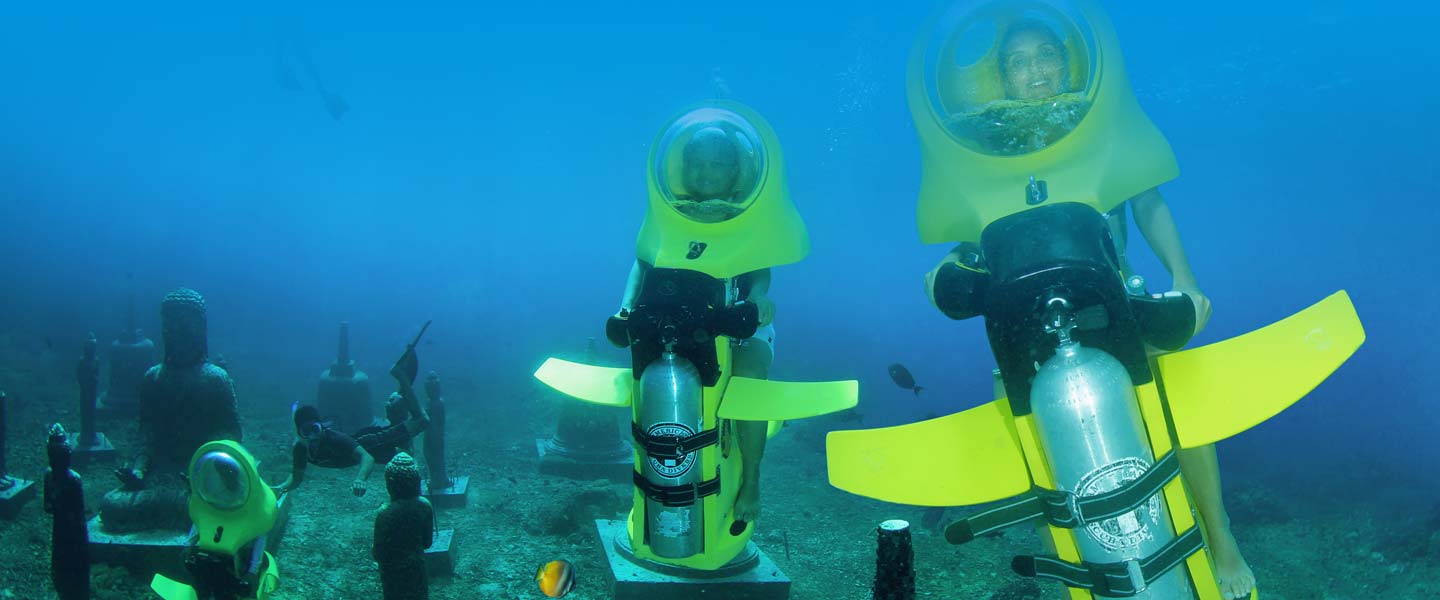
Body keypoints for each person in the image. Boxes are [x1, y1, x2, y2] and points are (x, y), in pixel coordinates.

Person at [927, 17, 1250, 599]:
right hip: (1024, 314)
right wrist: (944, 275)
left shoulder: (1098, 126)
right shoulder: (984, 141)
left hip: (1114, 295)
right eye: (1019, 63)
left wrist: (1186, 280)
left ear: (1069, 61)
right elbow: (970, 234)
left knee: (1179, 402)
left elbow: (1148, 198)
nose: (1036, 72)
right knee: (1028, 424)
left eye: (1045, 56)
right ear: (1001, 78)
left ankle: (1222, 540)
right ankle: (1077, 565)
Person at [611, 126, 777, 524]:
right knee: (642, 379)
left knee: (750, 375)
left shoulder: (746, 215)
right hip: (676, 324)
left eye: (717, 164)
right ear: (685, 168)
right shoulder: (668, 213)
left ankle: (752, 480)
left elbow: (761, 271)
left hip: (733, 323)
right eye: (698, 163)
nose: (706, 173)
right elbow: (642, 262)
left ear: (735, 170)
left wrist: (756, 302)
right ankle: (648, 484)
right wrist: (624, 310)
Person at [100, 288, 241, 532]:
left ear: (200, 330)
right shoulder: (153, 378)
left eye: (185, 327)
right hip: (160, 473)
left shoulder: (216, 379)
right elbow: (147, 432)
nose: (177, 334)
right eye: (170, 327)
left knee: (212, 502)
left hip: (201, 475)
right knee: (112, 505)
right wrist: (138, 469)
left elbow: (230, 431)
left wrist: (205, 466)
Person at [275, 326, 431, 497]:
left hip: (374, 442)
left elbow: (366, 458)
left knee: (422, 421)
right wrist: (278, 489)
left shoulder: (334, 439)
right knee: (403, 457)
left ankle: (400, 375)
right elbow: (295, 479)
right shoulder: (300, 449)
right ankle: (398, 398)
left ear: (321, 426)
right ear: (299, 433)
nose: (313, 435)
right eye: (307, 431)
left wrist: (361, 479)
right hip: (374, 452)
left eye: (315, 429)